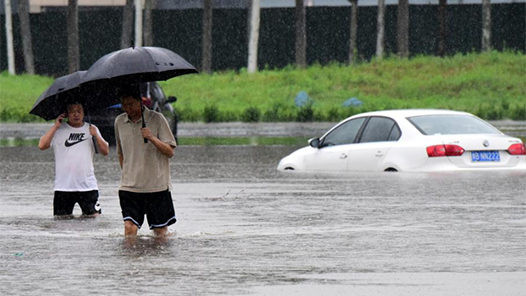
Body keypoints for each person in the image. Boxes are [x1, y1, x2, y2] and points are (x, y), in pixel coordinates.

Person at [115, 89, 177, 237]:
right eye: (124, 105)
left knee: (160, 233)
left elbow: (170, 152)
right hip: (130, 187)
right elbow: (120, 153)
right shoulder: (119, 121)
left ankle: (157, 261)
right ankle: (130, 260)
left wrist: (152, 137)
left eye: (130, 104)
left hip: (156, 186)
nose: (127, 109)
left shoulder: (157, 119)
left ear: (140, 101)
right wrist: (127, 174)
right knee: (129, 228)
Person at [38, 102, 109, 216]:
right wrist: (55, 126)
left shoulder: (92, 128)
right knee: (61, 223)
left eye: (79, 111)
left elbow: (105, 151)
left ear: (84, 112)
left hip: (88, 186)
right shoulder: (58, 130)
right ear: (66, 114)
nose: (76, 114)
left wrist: (95, 135)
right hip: (63, 187)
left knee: (94, 221)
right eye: (72, 111)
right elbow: (42, 145)